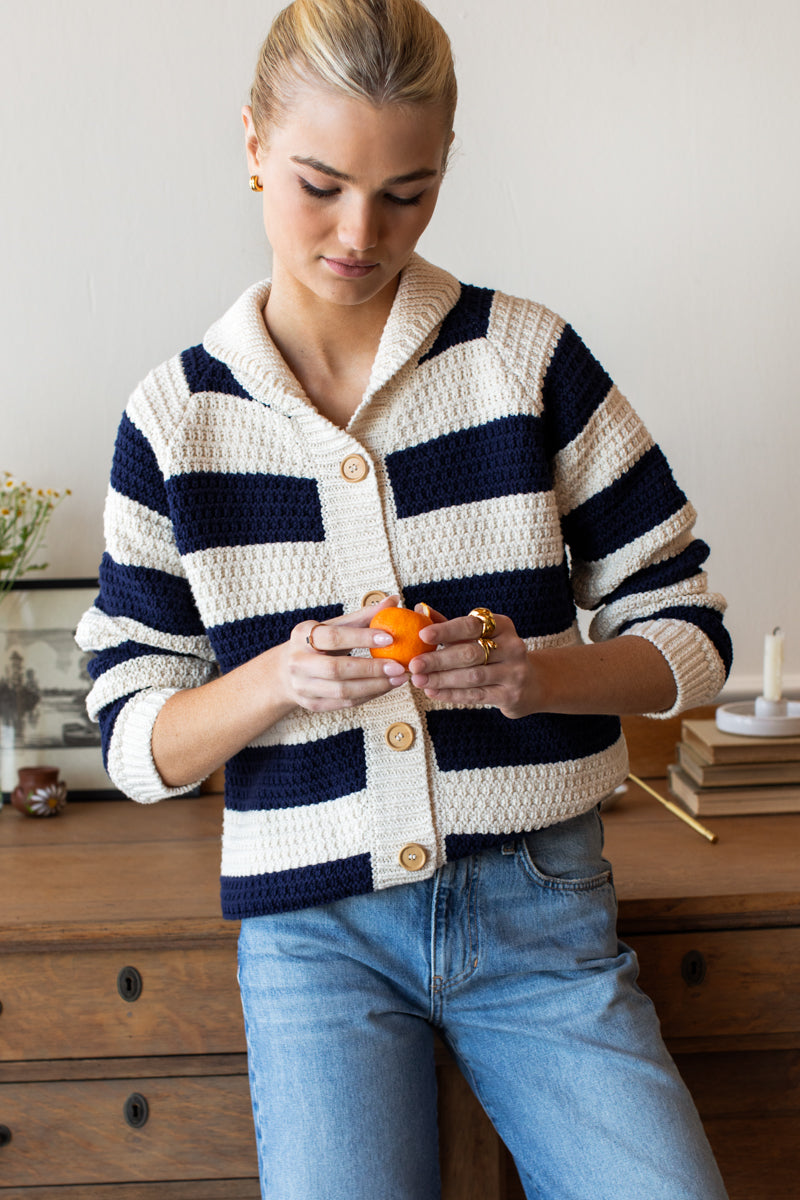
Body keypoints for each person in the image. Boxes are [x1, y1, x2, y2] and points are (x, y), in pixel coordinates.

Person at [77, 1, 733, 1196]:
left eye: (405, 193)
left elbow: (686, 632)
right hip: (313, 936)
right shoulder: (176, 421)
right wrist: (276, 679)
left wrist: (535, 674)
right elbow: (132, 737)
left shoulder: (523, 360)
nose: (357, 234)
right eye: (320, 186)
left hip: (540, 904)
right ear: (252, 145)